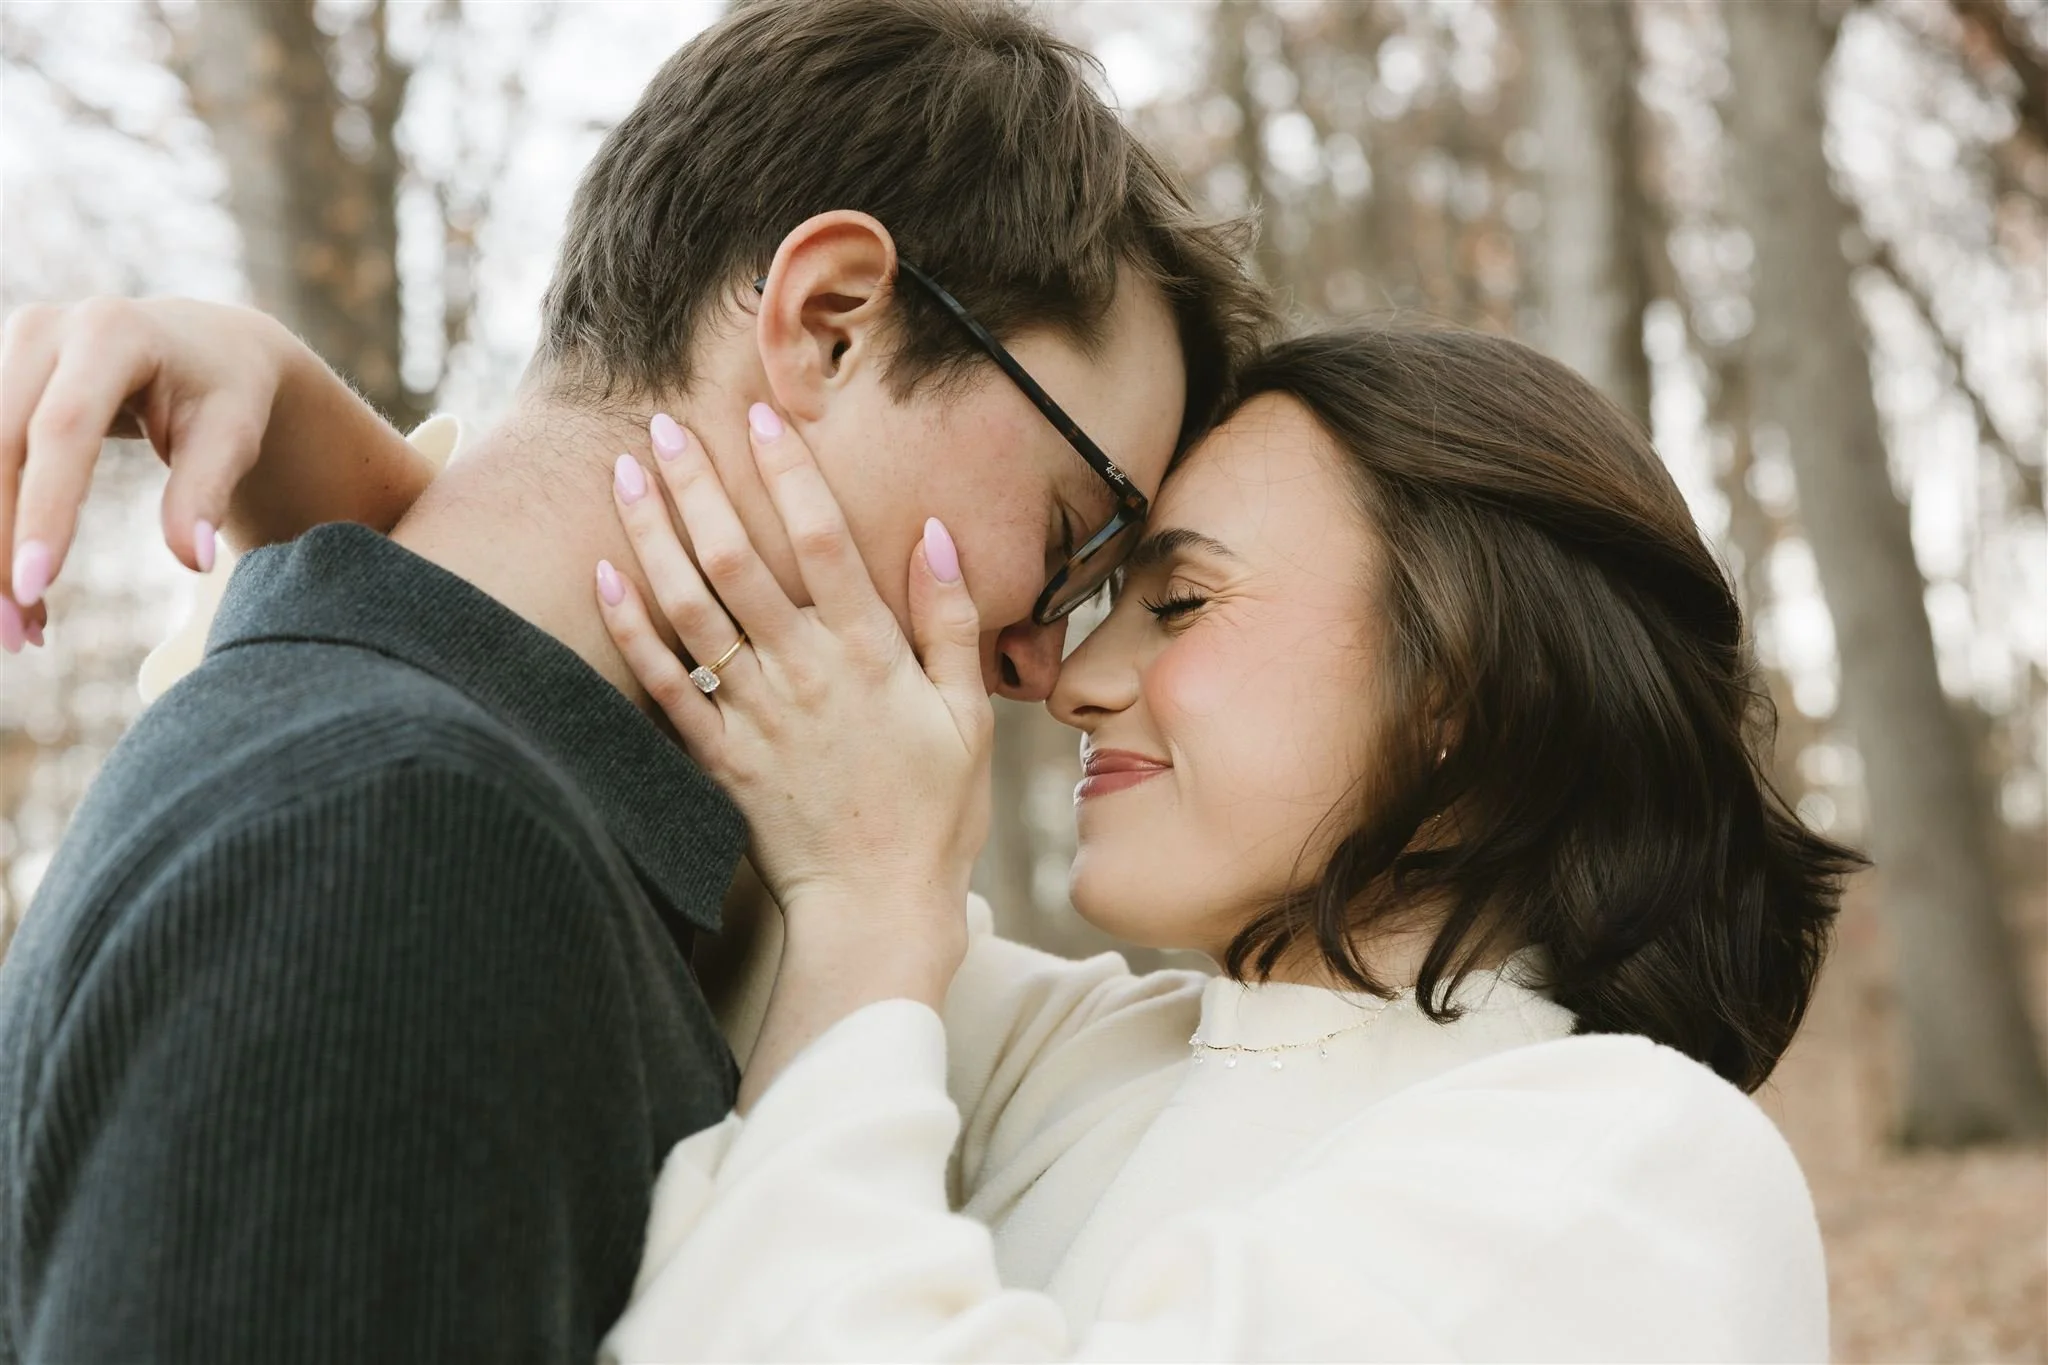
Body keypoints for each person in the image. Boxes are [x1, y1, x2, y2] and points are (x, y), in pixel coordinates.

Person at [0, 0, 1260, 1358]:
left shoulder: (489, 816)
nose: (1032, 663)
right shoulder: (411, 839)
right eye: (1072, 542)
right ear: (832, 321)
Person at [579, 325, 1864, 1360]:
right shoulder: (1083, 1057)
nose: (1076, 685)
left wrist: (866, 911)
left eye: (1178, 604)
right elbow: (754, 883)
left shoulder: (1631, 1166)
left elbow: (852, 942)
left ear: (1462, 685)